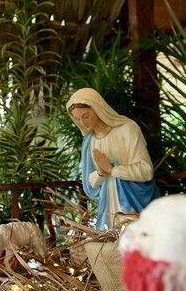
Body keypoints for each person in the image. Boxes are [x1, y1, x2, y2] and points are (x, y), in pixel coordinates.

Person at [66, 88, 159, 230]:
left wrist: (111, 169)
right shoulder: (89, 142)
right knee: (113, 247)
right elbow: (90, 186)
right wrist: (101, 173)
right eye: (77, 119)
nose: (83, 123)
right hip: (109, 208)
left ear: (97, 108)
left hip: (134, 203)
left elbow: (146, 171)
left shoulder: (127, 130)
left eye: (86, 116)